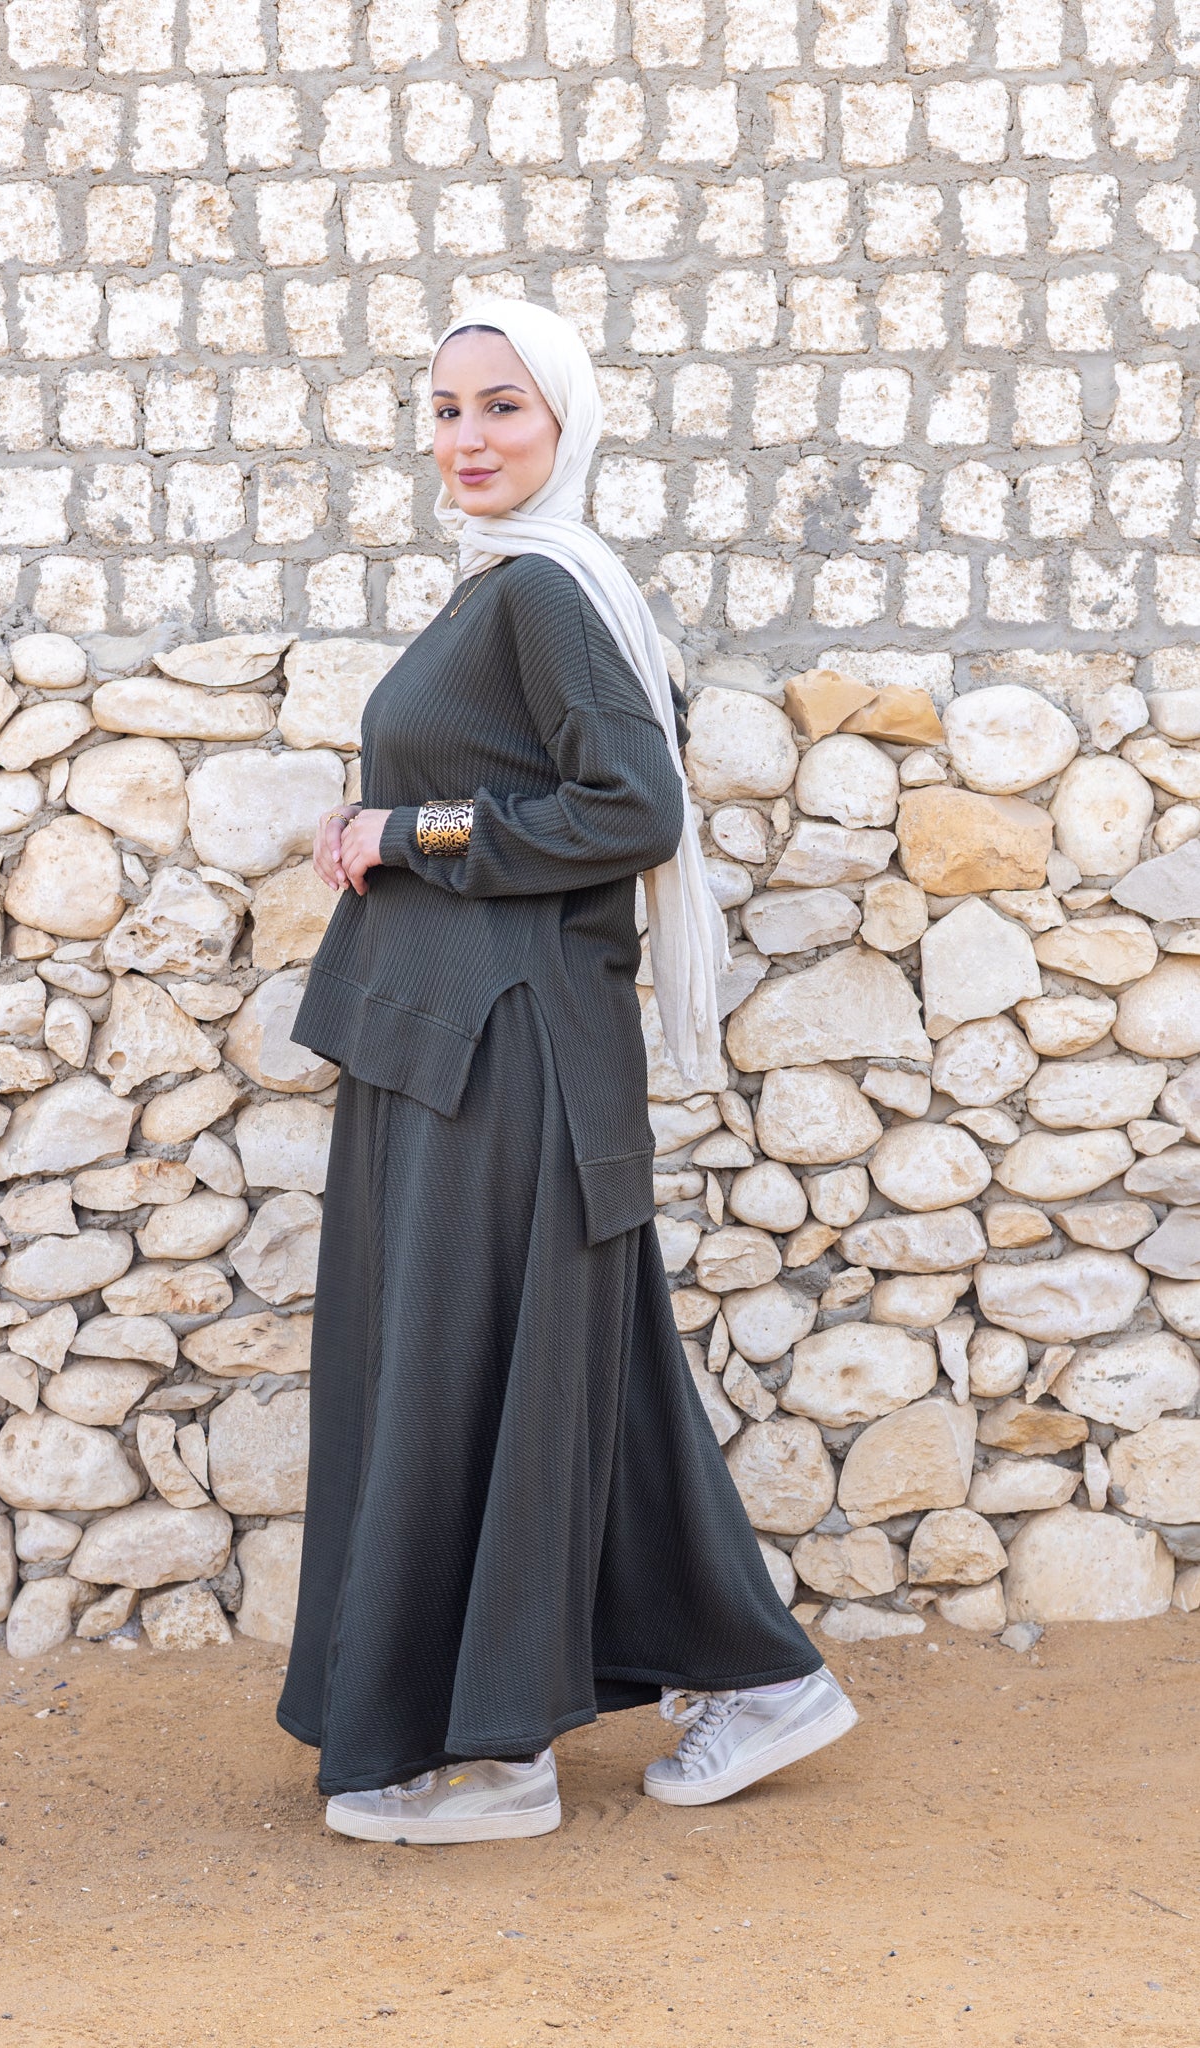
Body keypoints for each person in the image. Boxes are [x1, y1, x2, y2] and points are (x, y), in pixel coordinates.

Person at [275, 299, 855, 1845]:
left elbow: (632, 809)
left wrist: (412, 830)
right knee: (564, 1366)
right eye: (445, 409)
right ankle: (762, 1683)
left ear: (565, 422)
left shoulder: (544, 588)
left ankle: (494, 1757)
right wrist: (384, 827)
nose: (466, 438)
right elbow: (527, 788)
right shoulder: (504, 585)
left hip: (503, 1046)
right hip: (462, 1037)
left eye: (502, 407)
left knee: (467, 1371)